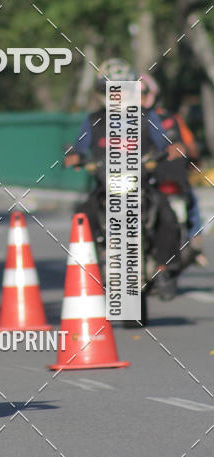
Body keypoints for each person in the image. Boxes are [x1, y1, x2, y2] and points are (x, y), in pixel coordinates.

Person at [64, 58, 180, 300]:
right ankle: (91, 270)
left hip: (142, 186)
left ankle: (163, 269)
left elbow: (166, 143)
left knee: (168, 216)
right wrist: (75, 157)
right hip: (106, 188)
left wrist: (169, 150)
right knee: (83, 216)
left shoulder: (146, 117)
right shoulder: (93, 120)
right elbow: (78, 148)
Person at [139, 72, 207, 267]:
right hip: (150, 180)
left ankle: (194, 242)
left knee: (189, 201)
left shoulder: (168, 119)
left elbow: (190, 147)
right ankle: (194, 241)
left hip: (167, 182)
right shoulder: (165, 118)